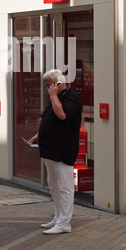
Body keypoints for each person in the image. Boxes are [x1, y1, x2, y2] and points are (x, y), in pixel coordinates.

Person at [29, 69, 83, 235]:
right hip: (49, 150)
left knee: (65, 187)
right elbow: (50, 119)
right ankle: (58, 217)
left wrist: (53, 96)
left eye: (49, 86)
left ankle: (64, 223)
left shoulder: (72, 97)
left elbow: (61, 115)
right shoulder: (55, 98)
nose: (47, 89)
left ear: (58, 84)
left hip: (62, 150)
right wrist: (39, 135)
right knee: (54, 186)